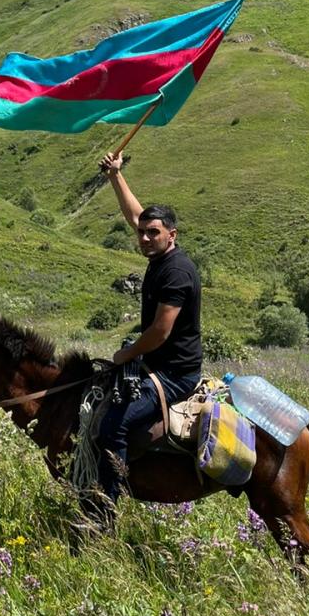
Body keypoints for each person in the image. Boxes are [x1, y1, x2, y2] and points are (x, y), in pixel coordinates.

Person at [92, 149, 204, 514]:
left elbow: (159, 332)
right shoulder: (159, 255)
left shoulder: (176, 272)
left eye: (152, 233)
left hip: (175, 373)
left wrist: (126, 354)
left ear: (172, 235)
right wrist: (115, 175)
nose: (143, 238)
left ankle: (104, 510)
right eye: (141, 233)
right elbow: (135, 215)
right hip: (157, 364)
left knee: (113, 428)